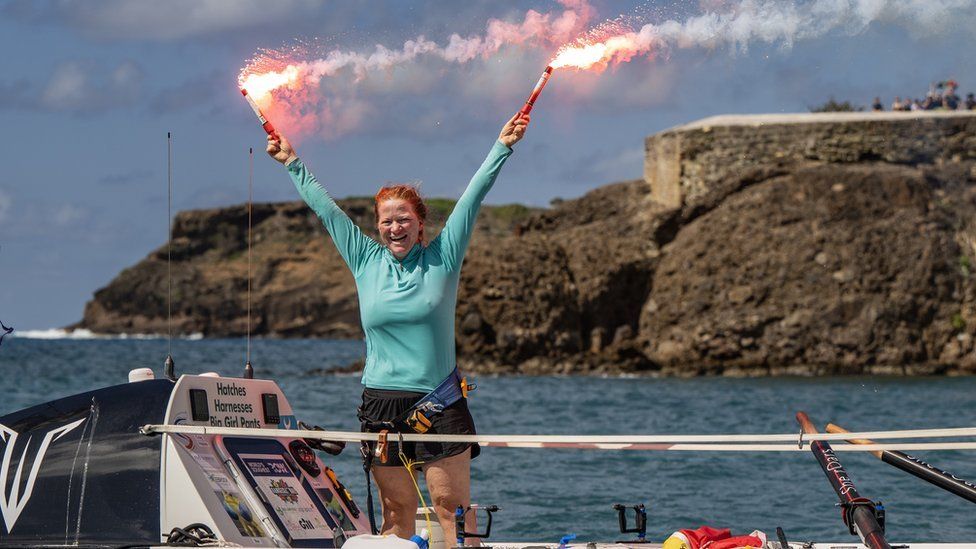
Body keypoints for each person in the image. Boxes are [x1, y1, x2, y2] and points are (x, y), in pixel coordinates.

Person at [267, 113, 530, 544]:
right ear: (377, 226)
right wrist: (291, 161)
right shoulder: (365, 259)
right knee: (396, 513)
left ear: (420, 222)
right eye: (387, 220)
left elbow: (474, 195)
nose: (395, 227)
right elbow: (325, 209)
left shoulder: (444, 257)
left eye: (404, 219)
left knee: (451, 511)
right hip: (380, 407)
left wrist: (503, 145)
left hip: (439, 404)